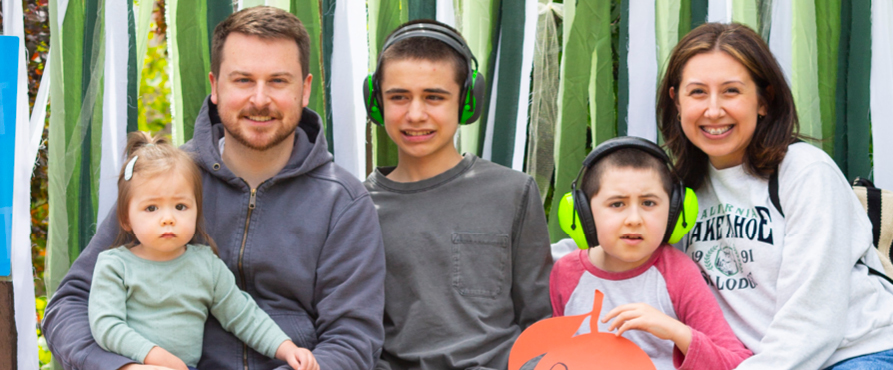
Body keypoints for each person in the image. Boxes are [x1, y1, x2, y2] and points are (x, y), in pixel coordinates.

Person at [43, 6, 385, 370]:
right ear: (215, 87)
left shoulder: (342, 201)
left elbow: (352, 339)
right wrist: (123, 367)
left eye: (278, 81)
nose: (259, 99)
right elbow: (70, 303)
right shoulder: (165, 182)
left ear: (305, 90)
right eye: (242, 80)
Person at [658, 23, 893, 369]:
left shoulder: (805, 172)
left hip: (857, 355)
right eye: (697, 93)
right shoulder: (678, 189)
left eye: (731, 91)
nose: (714, 109)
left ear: (764, 101)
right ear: (677, 102)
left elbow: (813, 320)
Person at [362, 20, 553, 370]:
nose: (415, 114)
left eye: (434, 97)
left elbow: (539, 321)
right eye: (398, 97)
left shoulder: (514, 192)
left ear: (467, 101)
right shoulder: (356, 208)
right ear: (376, 103)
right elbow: (355, 332)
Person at [88, 132, 318, 370]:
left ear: (197, 210)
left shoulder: (206, 265)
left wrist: (287, 348)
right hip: (132, 365)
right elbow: (106, 324)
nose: (168, 218)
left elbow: (243, 315)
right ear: (126, 219)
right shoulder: (115, 265)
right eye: (151, 208)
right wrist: (153, 357)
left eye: (180, 206)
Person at [549, 136, 752, 370]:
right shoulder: (564, 273)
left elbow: (737, 362)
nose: (634, 219)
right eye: (617, 204)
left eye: (649, 203)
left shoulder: (678, 272)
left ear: (676, 212)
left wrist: (677, 332)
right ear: (583, 213)